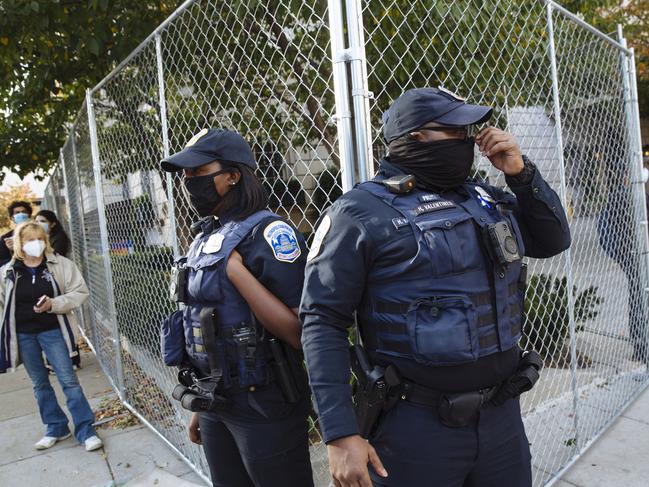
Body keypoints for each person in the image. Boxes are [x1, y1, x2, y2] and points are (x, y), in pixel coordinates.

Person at [300, 87, 571, 487]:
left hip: (500, 420)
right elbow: (321, 319)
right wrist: (340, 433)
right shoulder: (358, 213)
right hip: (415, 429)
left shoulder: (483, 197)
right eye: (455, 131)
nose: (469, 141)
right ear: (415, 137)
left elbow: (553, 241)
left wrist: (520, 173)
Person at [160, 128, 314, 487]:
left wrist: (235, 272)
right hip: (216, 401)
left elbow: (299, 332)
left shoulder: (271, 232)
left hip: (264, 404)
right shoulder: (204, 236)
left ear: (233, 176)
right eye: (185, 175)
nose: (188, 182)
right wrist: (202, 403)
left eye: (198, 173)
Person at [0, 221, 102, 452]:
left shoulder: (60, 265)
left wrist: (54, 304)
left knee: (69, 381)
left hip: (53, 331)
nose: (35, 244)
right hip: (24, 335)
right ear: (19, 244)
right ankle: (55, 427)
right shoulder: (8, 272)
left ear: (45, 242)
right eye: (29, 240)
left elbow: (79, 292)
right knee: (39, 383)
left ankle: (86, 430)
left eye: (39, 239)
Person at [0, 200, 34, 267]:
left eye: (23, 212)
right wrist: (12, 252)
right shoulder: (5, 238)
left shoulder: (37, 234)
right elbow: (2, 261)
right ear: (12, 218)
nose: (21, 214)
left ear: (29, 215)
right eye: (17, 213)